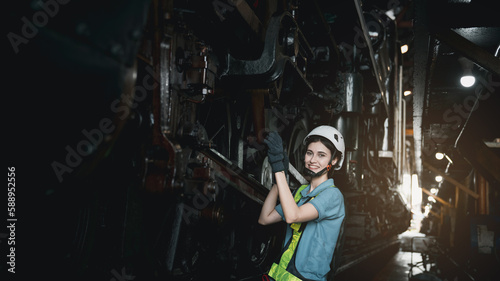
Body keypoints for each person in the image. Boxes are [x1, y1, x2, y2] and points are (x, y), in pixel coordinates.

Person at [259, 125, 346, 281]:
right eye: (309, 153)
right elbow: (265, 218)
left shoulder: (333, 196)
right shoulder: (301, 193)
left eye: (321, 155)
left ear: (334, 160)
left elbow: (293, 216)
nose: (312, 160)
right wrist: (279, 179)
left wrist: (278, 167)